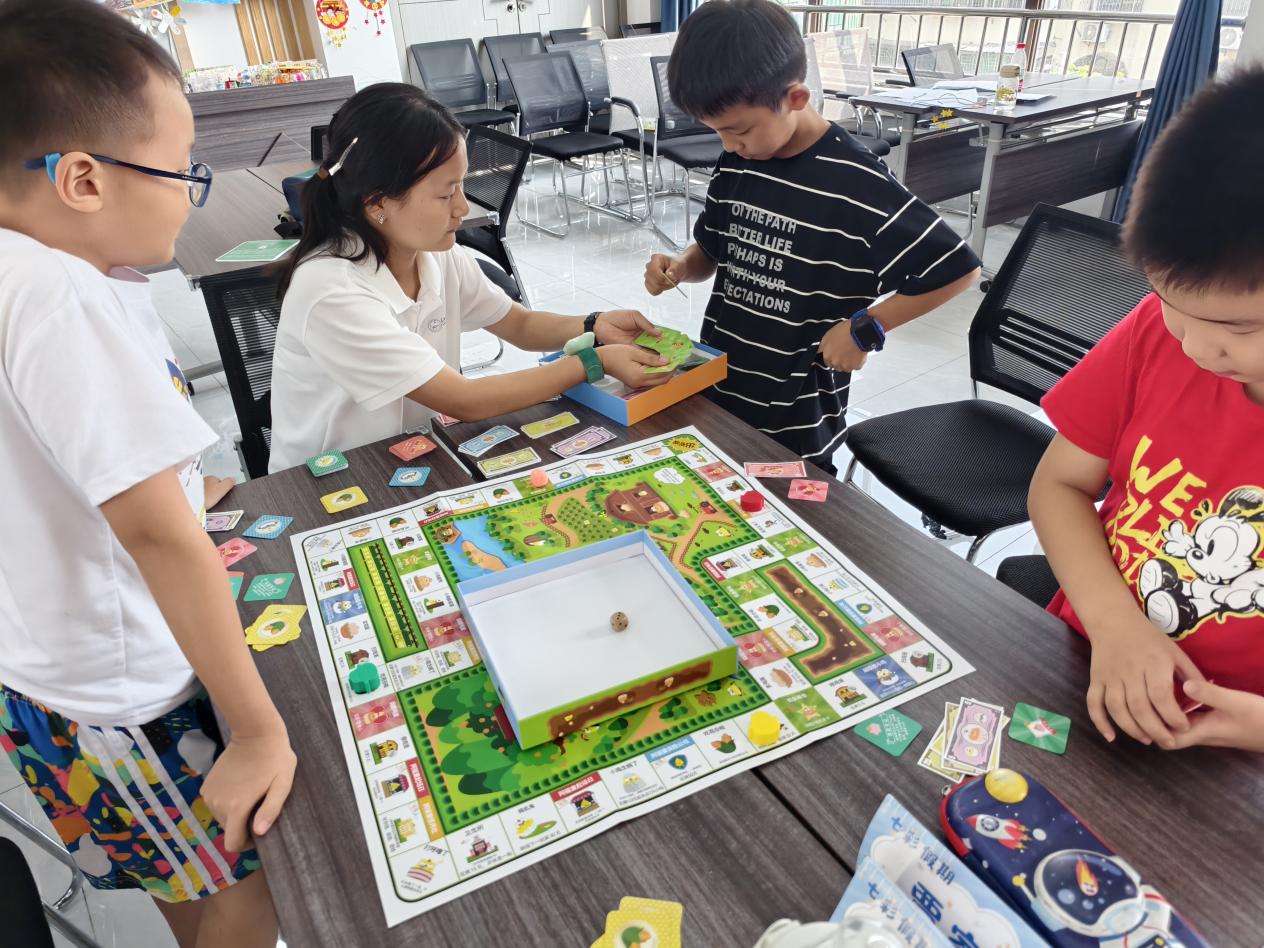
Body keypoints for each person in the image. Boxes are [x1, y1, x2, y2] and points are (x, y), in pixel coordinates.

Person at [0, 1, 295, 943]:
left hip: (52, 680)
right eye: (183, 170)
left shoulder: (36, 266)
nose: (188, 193)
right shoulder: (58, 295)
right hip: (127, 692)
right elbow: (158, 539)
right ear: (83, 178)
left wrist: (180, 488)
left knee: (181, 877)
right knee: (251, 889)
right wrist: (257, 730)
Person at [1029, 68, 1264, 754]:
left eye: (1239, 328)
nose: (1195, 346)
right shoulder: (1153, 333)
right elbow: (1059, 484)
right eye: (1170, 302)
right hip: (1086, 660)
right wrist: (1114, 624)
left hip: (1227, 753)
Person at [644, 0, 979, 473]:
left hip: (798, 411)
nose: (729, 145)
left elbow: (958, 269)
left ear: (796, 98)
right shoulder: (739, 160)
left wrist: (866, 329)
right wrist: (681, 264)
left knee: (790, 508)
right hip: (720, 381)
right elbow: (712, 252)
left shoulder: (856, 180)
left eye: (739, 130)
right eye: (716, 132)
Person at [269, 83, 670, 472]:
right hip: (330, 478)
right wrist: (592, 361)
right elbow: (464, 399)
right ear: (378, 203)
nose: (463, 207)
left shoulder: (437, 255)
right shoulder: (331, 290)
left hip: (416, 454)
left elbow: (518, 324)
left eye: (461, 186)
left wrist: (594, 325)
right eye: (446, 194)